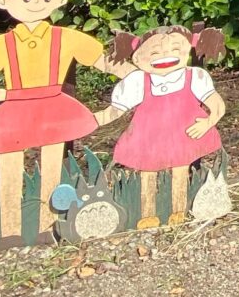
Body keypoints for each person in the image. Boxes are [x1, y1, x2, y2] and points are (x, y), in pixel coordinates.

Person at [0, 0, 128, 248]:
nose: (36, 3)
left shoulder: (68, 38)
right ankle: (9, 231)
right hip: (15, 111)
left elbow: (105, 63)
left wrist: (144, 73)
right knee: (10, 168)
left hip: (54, 108)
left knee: (52, 167)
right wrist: (10, 95)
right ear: (3, 0)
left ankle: (47, 227)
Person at [93, 23, 227, 228]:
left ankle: (178, 211)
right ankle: (147, 214)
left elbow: (217, 105)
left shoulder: (194, 77)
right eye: (155, 52)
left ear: (187, 50)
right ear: (138, 59)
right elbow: (116, 110)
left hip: (182, 133)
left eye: (175, 49)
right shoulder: (138, 81)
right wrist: (93, 120)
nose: (165, 55)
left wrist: (208, 123)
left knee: (180, 169)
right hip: (149, 137)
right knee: (147, 172)